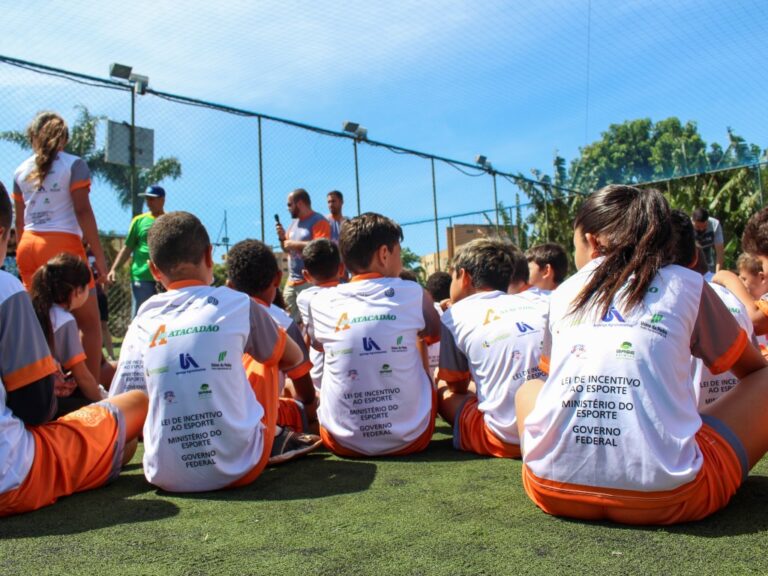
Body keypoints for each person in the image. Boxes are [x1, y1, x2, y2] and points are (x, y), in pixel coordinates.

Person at [515, 184, 768, 525]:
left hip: (549, 488)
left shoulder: (562, 292)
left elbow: (551, 382)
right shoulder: (688, 283)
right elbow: (752, 370)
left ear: (591, 242)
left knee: (528, 388)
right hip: (674, 497)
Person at [109, 212, 317, 493]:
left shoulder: (142, 318)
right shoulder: (239, 304)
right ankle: (274, 435)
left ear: (154, 270)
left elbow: (124, 402)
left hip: (164, 474)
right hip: (241, 467)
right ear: (209, 255)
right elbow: (293, 358)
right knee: (269, 355)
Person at [0, 187, 147, 517]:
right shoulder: (10, 291)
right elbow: (36, 407)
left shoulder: (36, 307)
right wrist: (99, 399)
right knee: (136, 407)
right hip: (13, 476)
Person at [308, 212, 441, 457]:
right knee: (419, 343)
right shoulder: (413, 292)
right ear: (384, 254)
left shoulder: (320, 301)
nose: (401, 260)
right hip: (412, 438)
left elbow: (317, 345)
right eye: (399, 252)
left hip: (341, 442)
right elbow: (435, 333)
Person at [13, 111, 106, 383]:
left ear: (33, 137)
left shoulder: (19, 171)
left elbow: (20, 223)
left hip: (28, 246)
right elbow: (82, 210)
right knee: (89, 324)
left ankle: (47, 384)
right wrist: (100, 258)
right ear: (63, 139)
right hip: (61, 245)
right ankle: (89, 390)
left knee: (43, 321)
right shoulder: (74, 164)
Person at [437, 238, 546, 458]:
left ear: (464, 276)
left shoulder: (454, 316)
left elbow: (456, 386)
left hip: (506, 439)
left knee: (441, 387)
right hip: (554, 431)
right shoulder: (535, 304)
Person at [226, 239, 317, 434]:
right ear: (277, 278)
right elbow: (307, 394)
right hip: (261, 420)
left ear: (230, 286)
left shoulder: (219, 319)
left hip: (223, 415)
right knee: (311, 407)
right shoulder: (283, 322)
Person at [667, 210, 755, 410]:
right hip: (738, 417)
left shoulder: (649, 307)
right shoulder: (733, 298)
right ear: (694, 258)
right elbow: (757, 371)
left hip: (694, 421)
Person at [29, 253, 108, 414]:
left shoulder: (33, 308)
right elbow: (82, 376)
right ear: (77, 291)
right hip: (42, 406)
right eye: (88, 287)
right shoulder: (63, 320)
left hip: (22, 397)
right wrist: (105, 406)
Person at [107, 184, 166, 316]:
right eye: (147, 199)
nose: (148, 202)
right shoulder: (139, 221)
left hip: (165, 277)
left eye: (152, 199)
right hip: (142, 276)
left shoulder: (170, 220)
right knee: (140, 315)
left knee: (164, 317)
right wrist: (114, 269)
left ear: (162, 200)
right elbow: (128, 247)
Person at [276, 189, 331, 325]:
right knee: (289, 320)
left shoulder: (319, 221)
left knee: (312, 321)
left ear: (299, 203)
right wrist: (282, 238)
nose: (288, 208)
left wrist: (293, 244)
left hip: (310, 281)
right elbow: (286, 248)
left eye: (290, 204)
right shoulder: (293, 224)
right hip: (292, 281)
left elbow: (321, 246)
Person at [296, 239, 344, 392]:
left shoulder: (304, 297)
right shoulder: (351, 293)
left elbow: (307, 335)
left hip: (319, 374)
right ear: (341, 269)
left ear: (306, 275)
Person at [691, 207, 724, 273]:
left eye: (704, 226)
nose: (701, 229)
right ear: (692, 222)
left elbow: (720, 254)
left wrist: (717, 274)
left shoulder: (715, 225)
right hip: (692, 259)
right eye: (698, 227)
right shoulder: (687, 226)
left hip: (708, 259)